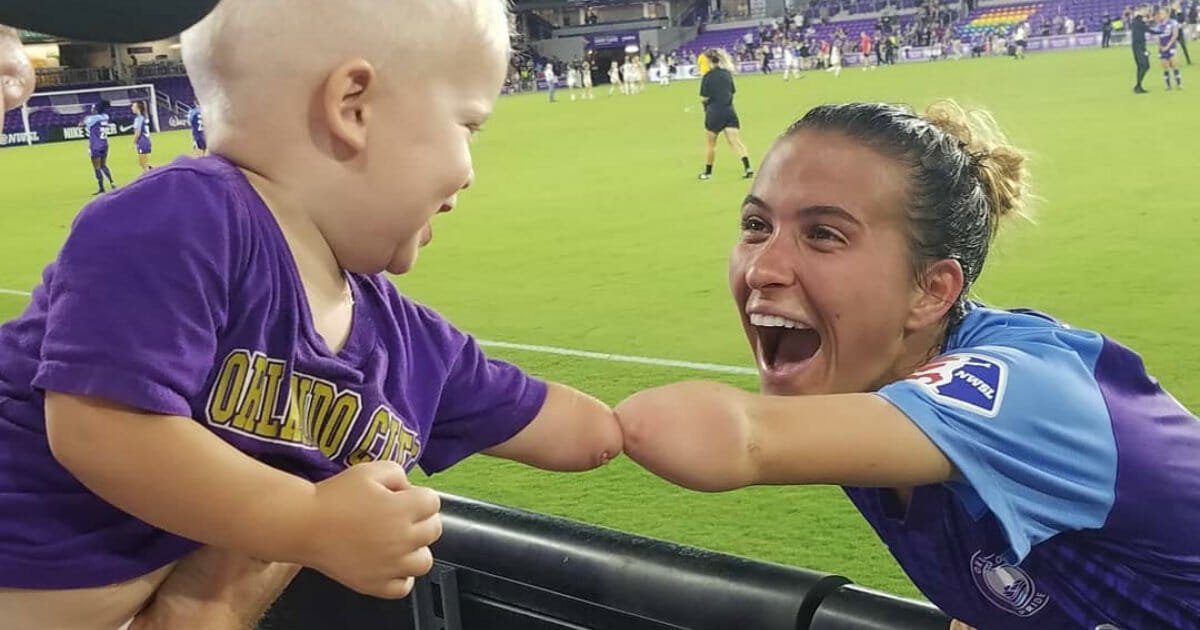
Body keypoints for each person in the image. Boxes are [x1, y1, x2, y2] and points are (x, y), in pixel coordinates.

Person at [0, 3, 624, 630]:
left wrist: (630, 430)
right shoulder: (181, 217)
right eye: (468, 126)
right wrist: (309, 520)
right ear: (353, 105)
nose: (468, 174)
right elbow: (101, 429)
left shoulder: (399, 336)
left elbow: (534, 411)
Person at [616, 100, 1200, 629]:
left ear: (932, 290)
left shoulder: (1021, 390)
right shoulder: (855, 376)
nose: (762, 269)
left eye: (823, 234)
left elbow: (740, 440)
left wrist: (545, 414)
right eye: (756, 225)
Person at [696, 48, 753, 181]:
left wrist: (705, 107)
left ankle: (708, 173)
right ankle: (747, 167)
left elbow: (704, 98)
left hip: (714, 112)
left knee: (711, 145)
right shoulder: (727, 74)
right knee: (736, 141)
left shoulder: (707, 77)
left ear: (709, 61)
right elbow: (732, 91)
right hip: (729, 111)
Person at [83, 100, 117, 193]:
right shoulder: (105, 117)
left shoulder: (92, 119)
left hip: (95, 145)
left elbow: (83, 124)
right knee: (104, 165)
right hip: (104, 143)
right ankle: (112, 182)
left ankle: (101, 187)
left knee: (97, 167)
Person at [1156, 7, 1184, 89]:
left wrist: (1168, 46)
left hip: (1171, 46)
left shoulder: (1173, 22)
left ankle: (1179, 84)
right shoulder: (1158, 25)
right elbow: (1157, 38)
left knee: (1174, 65)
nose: (1160, 15)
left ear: (1167, 14)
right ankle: (1168, 86)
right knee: (1165, 67)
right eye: (1160, 13)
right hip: (1162, 48)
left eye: (1162, 13)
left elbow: (1175, 35)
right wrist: (1160, 46)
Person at [1131, 6, 1155, 93]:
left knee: (1141, 66)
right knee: (1145, 65)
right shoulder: (1138, 21)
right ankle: (1138, 86)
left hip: (1140, 46)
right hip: (1139, 46)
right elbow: (1149, 30)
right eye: (1147, 10)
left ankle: (1138, 86)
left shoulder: (1137, 20)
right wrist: (1162, 32)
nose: (1148, 12)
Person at [131, 100, 153, 172]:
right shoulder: (144, 117)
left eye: (133, 106)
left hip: (142, 141)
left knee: (143, 164)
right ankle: (152, 170)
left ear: (138, 108)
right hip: (146, 141)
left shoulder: (138, 119)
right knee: (143, 163)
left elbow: (138, 132)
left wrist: (134, 142)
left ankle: (150, 176)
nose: (132, 108)